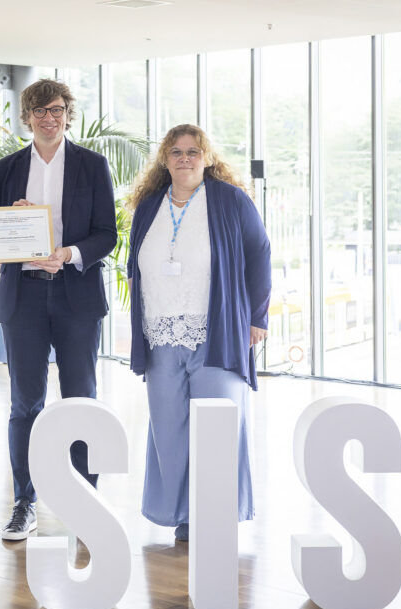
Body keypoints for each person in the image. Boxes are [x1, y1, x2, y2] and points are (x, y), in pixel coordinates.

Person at [125, 123, 271, 542]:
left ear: (207, 157)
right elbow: (135, 264)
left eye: (193, 151)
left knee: (219, 426)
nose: (184, 158)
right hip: (160, 335)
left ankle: (217, 514)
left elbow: (258, 254)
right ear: (164, 161)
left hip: (217, 332)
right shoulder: (151, 205)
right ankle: (183, 517)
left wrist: (256, 317)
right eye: (175, 152)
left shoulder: (231, 201)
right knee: (168, 431)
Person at [0, 79, 117, 540]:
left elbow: (107, 233)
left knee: (81, 398)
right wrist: (12, 218)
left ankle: (87, 501)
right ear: (27, 117)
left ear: (67, 114)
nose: (49, 117)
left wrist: (67, 253)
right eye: (39, 110)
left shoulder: (92, 165)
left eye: (56, 109)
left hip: (75, 294)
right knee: (24, 403)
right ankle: (25, 502)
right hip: (22, 297)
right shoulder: (6, 169)